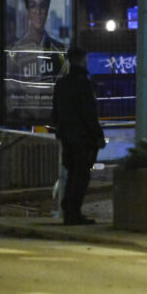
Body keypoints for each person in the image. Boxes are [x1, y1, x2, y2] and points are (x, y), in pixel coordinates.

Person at [51, 46, 105, 226]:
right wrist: (98, 135)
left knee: (72, 172)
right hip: (82, 137)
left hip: (67, 136)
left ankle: (69, 209)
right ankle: (73, 211)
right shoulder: (83, 83)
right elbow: (89, 112)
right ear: (82, 59)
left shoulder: (61, 83)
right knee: (81, 175)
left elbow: (56, 112)